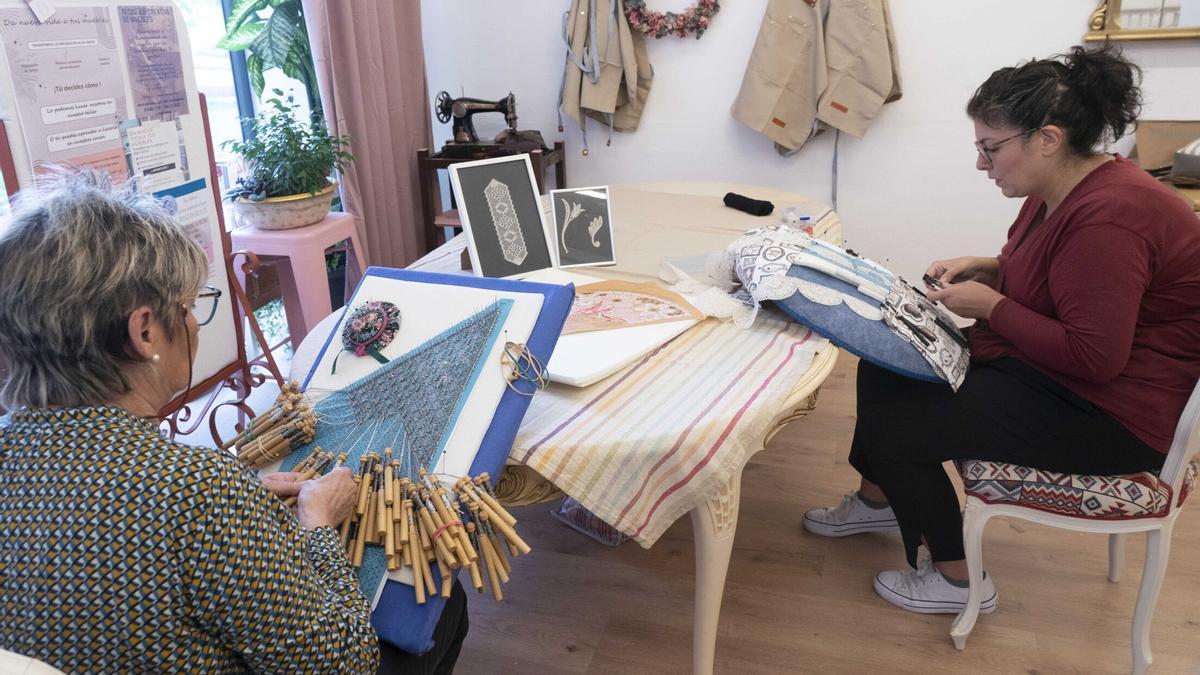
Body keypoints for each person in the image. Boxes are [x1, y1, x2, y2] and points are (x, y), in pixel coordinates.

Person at [802, 46, 1200, 614]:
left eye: (991, 149)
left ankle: (960, 582)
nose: (983, 165)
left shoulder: (1111, 216)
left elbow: (1095, 356)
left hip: (1110, 412)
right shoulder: (1066, 191)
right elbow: (1065, 280)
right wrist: (990, 268)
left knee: (898, 428)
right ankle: (880, 499)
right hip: (1060, 376)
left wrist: (990, 305)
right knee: (886, 363)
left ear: (1048, 139)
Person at [0, 171, 379, 671]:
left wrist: (232, 517)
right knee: (441, 616)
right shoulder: (194, 491)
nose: (194, 323)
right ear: (145, 331)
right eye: (187, 307)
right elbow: (345, 664)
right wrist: (318, 526)